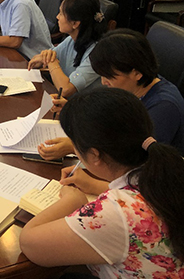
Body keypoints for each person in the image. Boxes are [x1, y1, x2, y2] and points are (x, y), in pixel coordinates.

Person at [20, 88, 184, 278]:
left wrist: (72, 200)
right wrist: (94, 185)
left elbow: (29, 243)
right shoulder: (171, 165)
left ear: (95, 155)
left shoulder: (116, 213)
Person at [38, 29, 184, 162]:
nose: (103, 82)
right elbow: (113, 123)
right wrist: (72, 110)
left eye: (109, 76)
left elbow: (138, 161)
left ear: (136, 73)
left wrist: (77, 147)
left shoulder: (164, 107)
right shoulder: (134, 87)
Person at [28, 0, 105, 98]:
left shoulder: (97, 53)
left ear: (75, 23)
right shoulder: (71, 39)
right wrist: (43, 60)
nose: (57, 17)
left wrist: (51, 61)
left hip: (86, 105)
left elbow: (65, 90)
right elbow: (46, 58)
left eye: (61, 13)